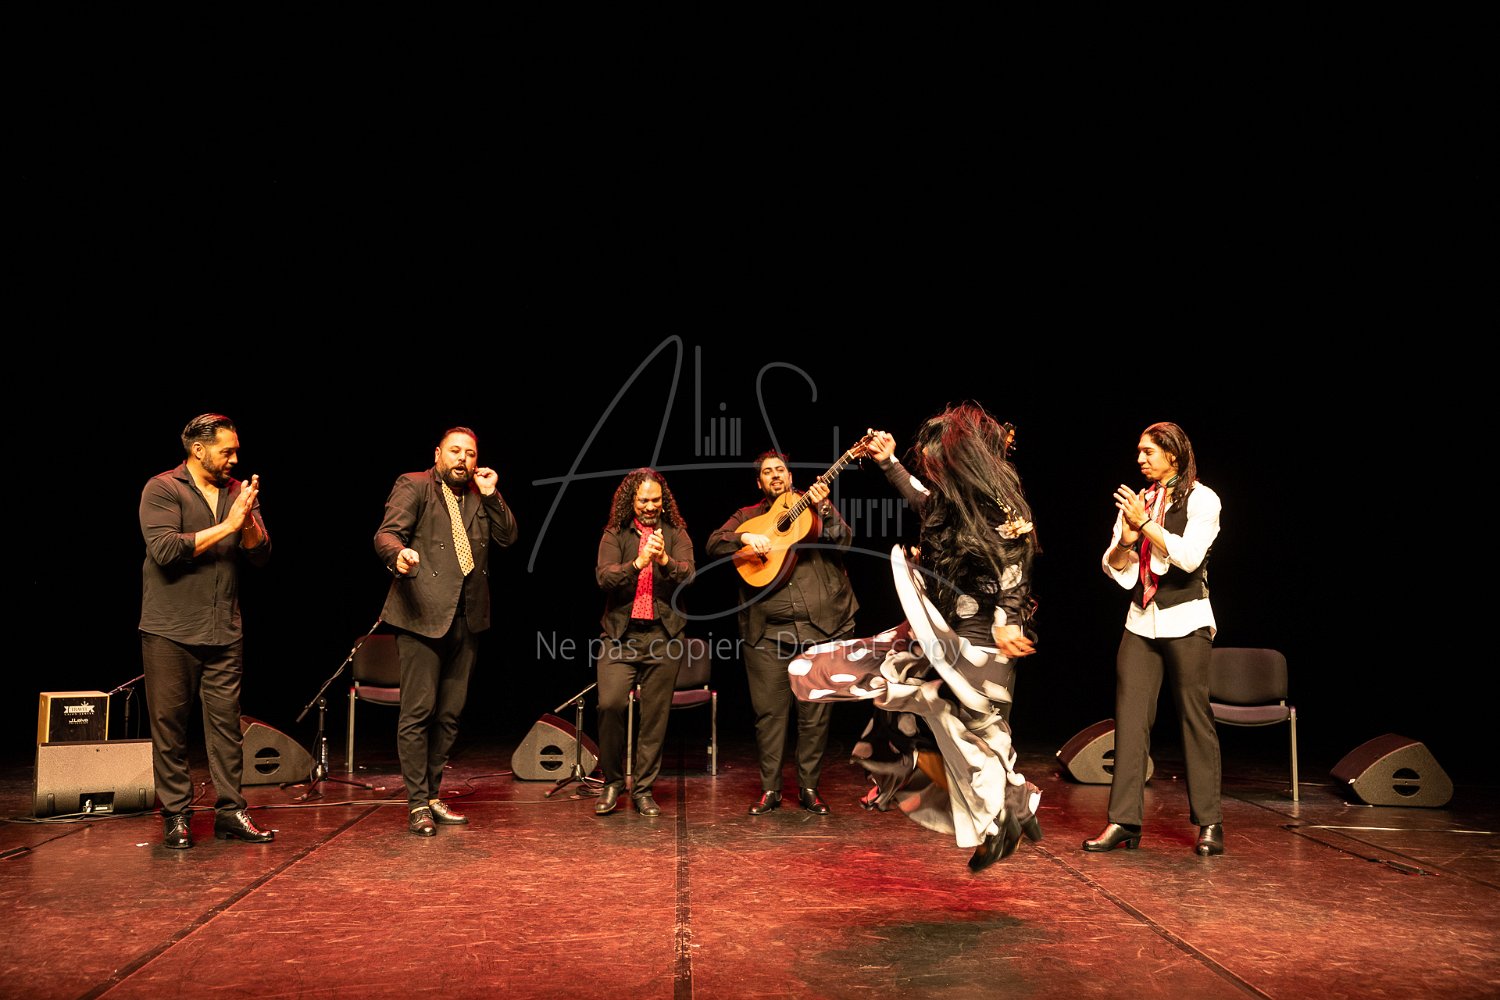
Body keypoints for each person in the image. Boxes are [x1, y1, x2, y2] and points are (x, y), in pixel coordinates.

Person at [786, 403, 1041, 872]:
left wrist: (1008, 619)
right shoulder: (950, 500)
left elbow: (1015, 560)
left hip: (985, 630)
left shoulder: (999, 503)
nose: (929, 465)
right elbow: (922, 500)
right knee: (948, 719)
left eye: (936, 458)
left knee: (970, 725)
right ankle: (1007, 807)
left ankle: (1004, 810)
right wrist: (887, 462)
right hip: (946, 625)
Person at [1084, 421, 1224, 857]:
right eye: (1140, 451)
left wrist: (1145, 524)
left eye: (1149, 451)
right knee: (1129, 720)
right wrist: (1126, 542)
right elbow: (1117, 569)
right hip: (1141, 621)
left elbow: (1188, 557)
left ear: (1173, 455)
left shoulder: (1204, 499)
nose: (1140, 458)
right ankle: (1124, 821)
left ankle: (1210, 822)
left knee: (1194, 718)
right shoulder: (1139, 502)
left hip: (1187, 620)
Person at [138, 413, 274, 850]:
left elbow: (260, 554)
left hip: (224, 629)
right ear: (198, 450)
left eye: (236, 451)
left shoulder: (237, 492)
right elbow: (165, 550)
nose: (234, 459)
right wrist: (228, 526)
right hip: (170, 630)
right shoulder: (163, 488)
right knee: (170, 728)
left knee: (226, 729)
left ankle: (231, 812)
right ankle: (177, 815)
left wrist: (246, 519)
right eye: (226, 451)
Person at [375, 426, 518, 837]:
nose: (462, 459)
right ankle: (417, 803)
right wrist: (398, 554)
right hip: (422, 614)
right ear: (438, 453)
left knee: (450, 715)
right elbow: (386, 534)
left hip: (467, 617)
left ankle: (433, 794)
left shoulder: (477, 494)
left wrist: (492, 494)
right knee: (418, 712)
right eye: (455, 451)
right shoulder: (415, 485)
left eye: (470, 454)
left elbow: (508, 537)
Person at [707, 449, 859, 815]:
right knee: (770, 714)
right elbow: (713, 543)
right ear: (759, 482)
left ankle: (809, 788)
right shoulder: (749, 516)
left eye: (781, 470)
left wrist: (824, 508)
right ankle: (770, 790)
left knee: (815, 712)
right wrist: (745, 539)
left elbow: (844, 541)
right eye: (768, 472)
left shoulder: (815, 505)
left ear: (791, 477)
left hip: (820, 626)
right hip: (766, 632)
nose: (776, 475)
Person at [593, 468, 695, 818]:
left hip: (663, 637)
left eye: (655, 500)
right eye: (643, 501)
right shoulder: (615, 533)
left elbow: (690, 574)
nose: (650, 506)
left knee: (654, 717)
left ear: (663, 501)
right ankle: (612, 782)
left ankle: (643, 789)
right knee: (609, 705)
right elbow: (604, 577)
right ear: (631, 501)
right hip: (620, 636)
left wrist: (664, 559)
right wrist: (638, 563)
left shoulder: (676, 533)